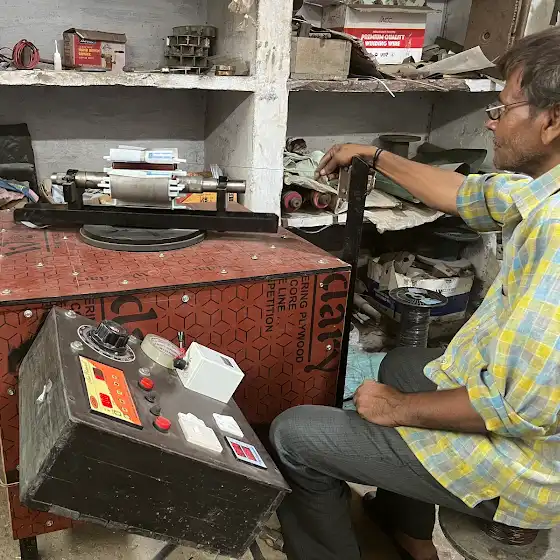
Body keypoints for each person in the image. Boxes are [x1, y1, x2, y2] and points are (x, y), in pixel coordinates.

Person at [270, 27, 560, 560]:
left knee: (294, 435)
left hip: (527, 467)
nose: (490, 122)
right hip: (521, 416)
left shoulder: (558, 230)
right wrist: (372, 155)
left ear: (553, 120)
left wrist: (399, 409)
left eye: (502, 109)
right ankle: (405, 530)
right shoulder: (546, 191)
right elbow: (470, 194)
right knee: (403, 362)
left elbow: (522, 405)